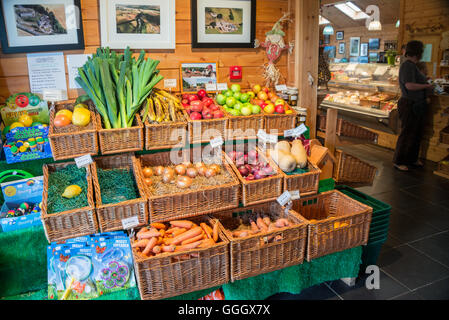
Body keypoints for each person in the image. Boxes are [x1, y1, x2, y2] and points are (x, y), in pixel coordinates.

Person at [393, 41, 434, 171]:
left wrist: (425, 80)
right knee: (407, 133)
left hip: (415, 104)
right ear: (418, 52)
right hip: (409, 103)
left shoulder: (413, 66)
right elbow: (409, 85)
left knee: (416, 133)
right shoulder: (407, 66)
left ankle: (412, 159)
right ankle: (399, 161)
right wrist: (426, 85)